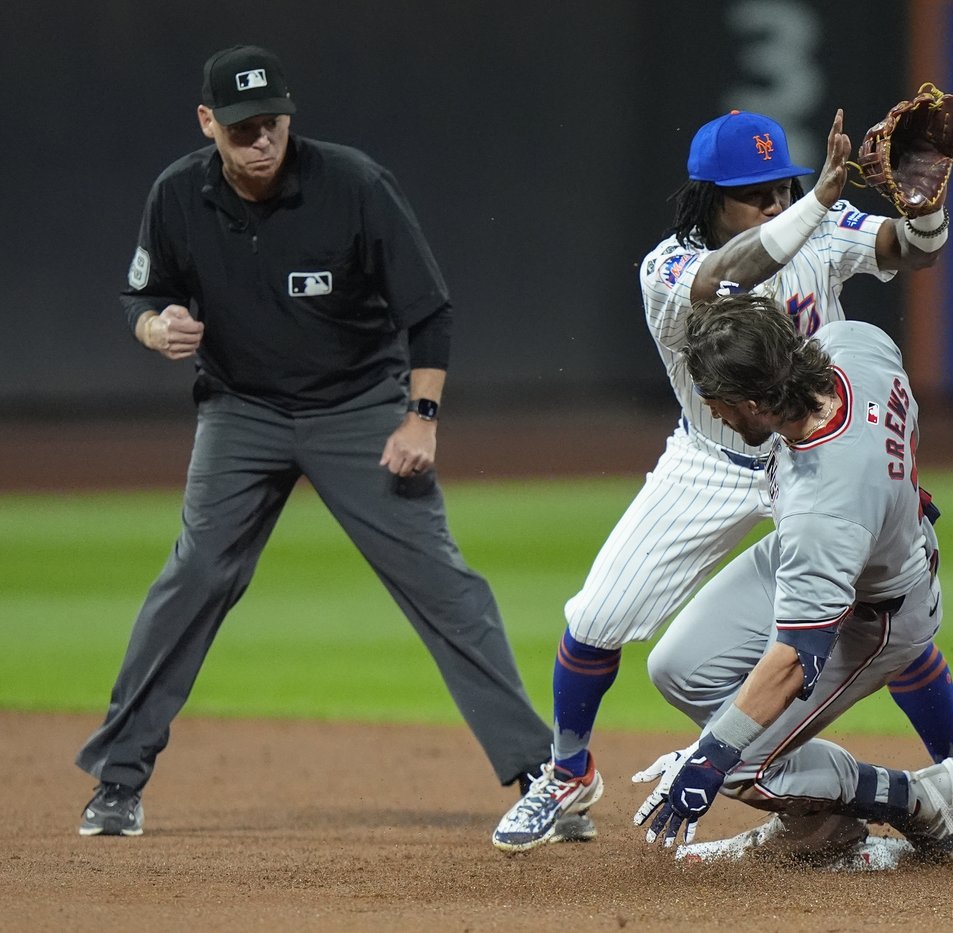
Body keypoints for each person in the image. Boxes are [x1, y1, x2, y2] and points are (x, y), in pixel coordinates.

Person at [75, 45, 589, 842]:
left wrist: (421, 416)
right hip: (241, 413)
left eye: (272, 122)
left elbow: (430, 309)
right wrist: (153, 324)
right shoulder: (178, 194)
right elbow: (143, 291)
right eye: (242, 127)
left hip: (357, 410)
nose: (261, 140)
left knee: (444, 586)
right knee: (194, 578)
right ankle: (117, 780)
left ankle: (536, 774)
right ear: (208, 123)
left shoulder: (351, 183)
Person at [493, 107, 953, 859]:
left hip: (811, 452)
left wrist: (925, 209)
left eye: (781, 187)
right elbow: (736, 270)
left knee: (884, 612)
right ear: (710, 199)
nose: (773, 203)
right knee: (597, 615)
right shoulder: (666, 267)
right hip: (712, 460)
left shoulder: (820, 225)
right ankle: (568, 772)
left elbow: (912, 250)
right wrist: (818, 201)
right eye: (753, 193)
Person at [635, 293, 953, 864]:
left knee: (739, 767)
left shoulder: (826, 504)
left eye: (719, 402)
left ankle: (921, 798)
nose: (713, 413)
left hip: (875, 609)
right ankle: (815, 809)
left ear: (759, 400)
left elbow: (795, 659)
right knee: (679, 669)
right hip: (840, 551)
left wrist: (710, 758)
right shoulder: (852, 342)